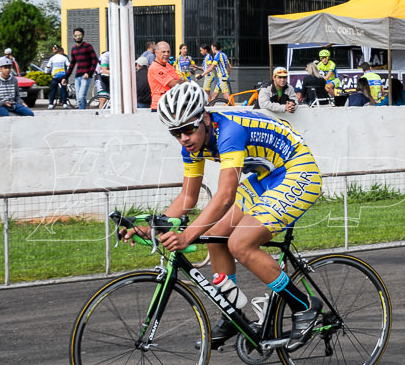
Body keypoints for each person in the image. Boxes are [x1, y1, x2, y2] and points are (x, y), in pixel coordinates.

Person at [120, 81, 324, 350]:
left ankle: (304, 305)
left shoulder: (229, 131)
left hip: (297, 171)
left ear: (204, 118)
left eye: (189, 129)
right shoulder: (191, 144)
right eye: (176, 133)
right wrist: (153, 227)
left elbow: (226, 195)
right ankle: (232, 314)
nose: (184, 138)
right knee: (214, 235)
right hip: (266, 176)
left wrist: (187, 234)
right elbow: (187, 198)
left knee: (240, 243)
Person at [67, 28, 99, 110]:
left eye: (79, 35)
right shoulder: (73, 49)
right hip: (77, 77)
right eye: (76, 35)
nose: (77, 37)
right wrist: (65, 77)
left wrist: (89, 73)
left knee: (81, 96)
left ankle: (82, 113)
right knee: (79, 98)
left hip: (86, 76)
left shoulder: (88, 46)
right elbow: (72, 64)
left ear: (83, 36)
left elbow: (95, 60)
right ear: (73, 36)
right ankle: (84, 112)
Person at [148, 41, 183, 110]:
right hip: (159, 106)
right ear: (156, 52)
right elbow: (173, 83)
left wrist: (181, 81)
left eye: (168, 52)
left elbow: (178, 79)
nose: (166, 54)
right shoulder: (155, 67)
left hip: (170, 103)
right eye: (163, 52)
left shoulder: (168, 65)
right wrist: (185, 81)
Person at [45, 44, 71, 109]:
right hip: (63, 76)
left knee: (53, 90)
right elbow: (69, 66)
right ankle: (64, 103)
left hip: (55, 76)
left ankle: (51, 104)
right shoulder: (64, 58)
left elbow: (48, 66)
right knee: (63, 89)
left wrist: (46, 72)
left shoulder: (52, 58)